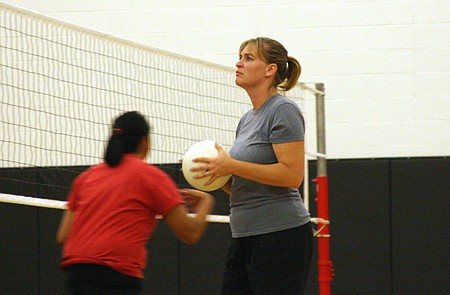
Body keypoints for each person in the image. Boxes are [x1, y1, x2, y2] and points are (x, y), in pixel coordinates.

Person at [191, 37, 313, 295]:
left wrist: (232, 164)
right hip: (244, 235)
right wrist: (212, 173)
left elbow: (292, 176)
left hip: (281, 234)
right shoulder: (247, 120)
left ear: (270, 70)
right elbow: (245, 188)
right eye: (239, 57)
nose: (238, 63)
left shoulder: (283, 110)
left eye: (248, 58)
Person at [56, 111, 214, 295]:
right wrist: (206, 202)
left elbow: (63, 236)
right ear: (144, 141)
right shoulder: (151, 176)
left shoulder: (86, 177)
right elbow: (191, 233)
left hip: (76, 273)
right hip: (115, 276)